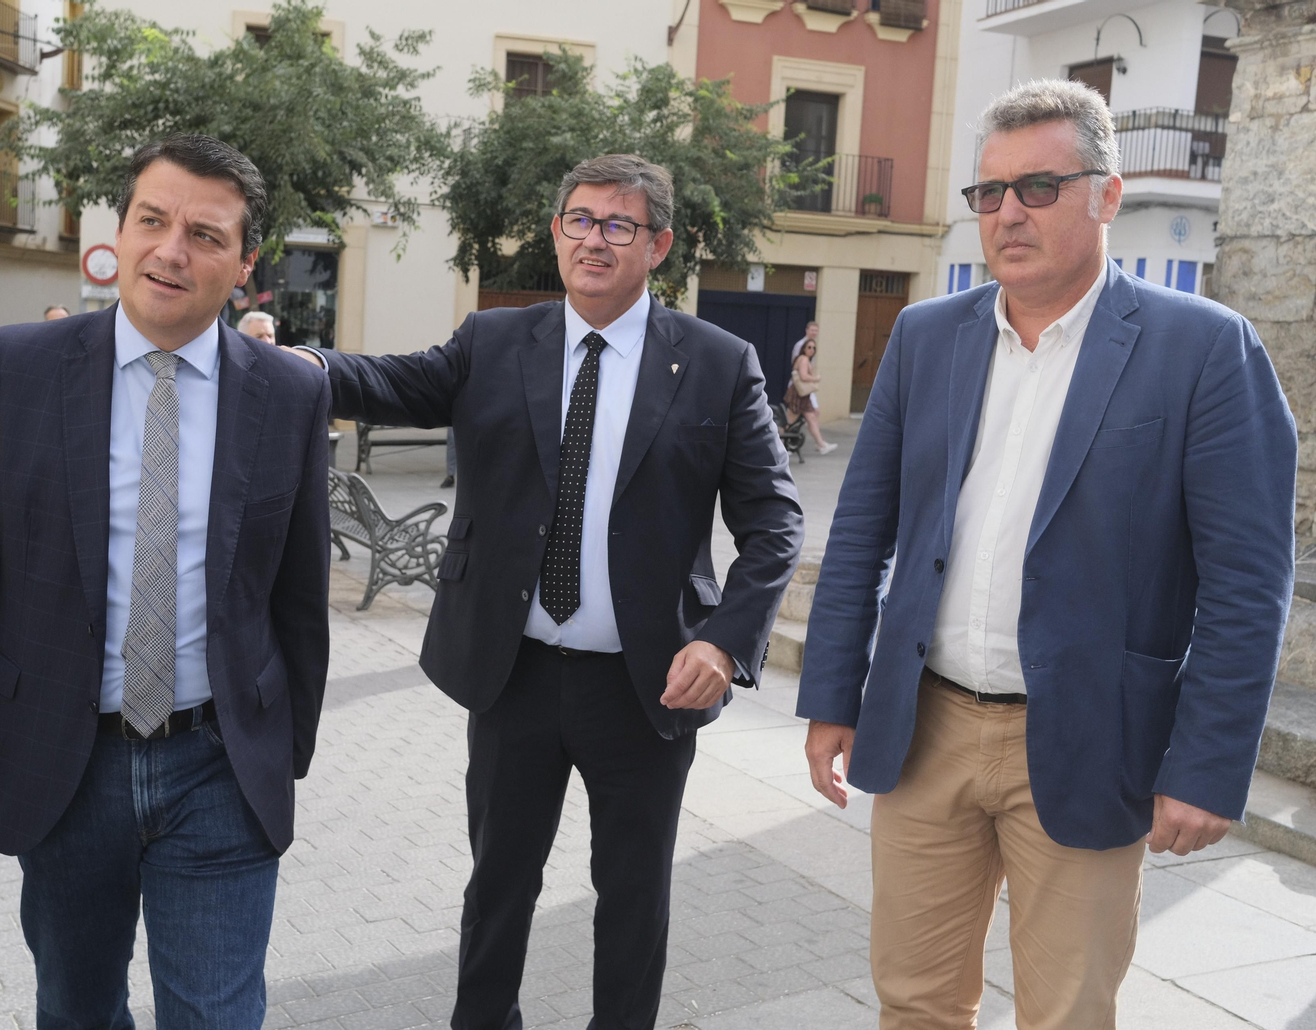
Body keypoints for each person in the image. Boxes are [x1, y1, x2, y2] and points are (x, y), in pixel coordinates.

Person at [797, 79, 1297, 1030]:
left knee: (1066, 1015)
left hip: (1091, 742)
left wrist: (1205, 764)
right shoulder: (925, 336)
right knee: (913, 1003)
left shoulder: (1204, 349)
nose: (1008, 214)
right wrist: (830, 696)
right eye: (990, 193)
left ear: (1107, 196)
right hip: (927, 731)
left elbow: (1247, 583)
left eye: (1039, 188)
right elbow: (861, 530)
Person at [291, 153, 803, 1029]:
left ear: (658, 245)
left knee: (632, 894)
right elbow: (391, 382)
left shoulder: (718, 363)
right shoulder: (495, 341)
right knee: (498, 884)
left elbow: (776, 522)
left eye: (619, 225)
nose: (594, 240)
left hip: (647, 684)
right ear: (557, 232)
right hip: (514, 672)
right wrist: (295, 364)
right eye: (579, 220)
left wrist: (724, 641)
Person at [0, 134, 331, 1030]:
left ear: (245, 265)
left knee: (217, 1016)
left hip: (219, 767)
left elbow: (298, 595)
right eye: (152, 221)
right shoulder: (20, 368)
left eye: (205, 235)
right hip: (62, 766)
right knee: (77, 1009)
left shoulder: (289, 393)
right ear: (120, 233)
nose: (171, 251)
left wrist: (281, 751)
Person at [783, 336, 837, 454]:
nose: (811, 350)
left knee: (811, 418)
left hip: (803, 395)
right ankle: (781, 446)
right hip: (798, 395)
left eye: (813, 348)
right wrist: (816, 378)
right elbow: (803, 376)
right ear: (804, 348)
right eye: (809, 347)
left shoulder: (804, 359)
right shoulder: (803, 359)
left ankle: (821, 444)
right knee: (789, 421)